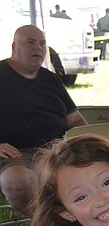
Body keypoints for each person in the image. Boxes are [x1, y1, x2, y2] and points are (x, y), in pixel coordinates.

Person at [0, 25, 87, 213]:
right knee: (15, 180)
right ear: (14, 47)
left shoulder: (52, 80)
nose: (38, 48)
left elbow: (76, 121)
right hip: (16, 155)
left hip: (57, 150)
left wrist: (83, 143)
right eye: (30, 42)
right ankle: (52, 222)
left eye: (42, 43)